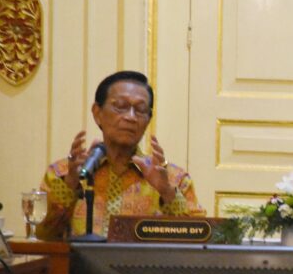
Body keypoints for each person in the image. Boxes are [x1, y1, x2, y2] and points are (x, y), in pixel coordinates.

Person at [36, 70, 205, 240]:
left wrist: (167, 193)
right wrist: (70, 184)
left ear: (148, 120)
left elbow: (200, 239)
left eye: (140, 110)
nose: (131, 117)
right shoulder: (61, 172)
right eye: (120, 106)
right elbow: (42, 233)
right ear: (97, 113)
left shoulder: (173, 179)